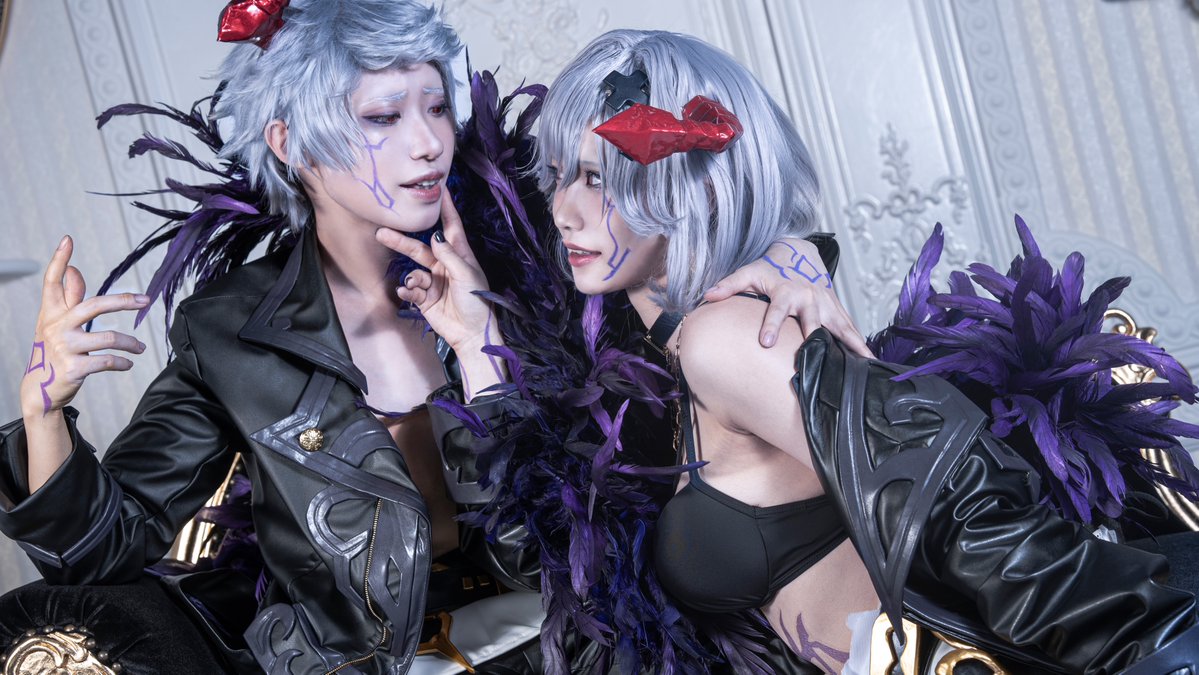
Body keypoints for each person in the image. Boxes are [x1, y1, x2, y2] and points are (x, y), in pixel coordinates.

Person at [0, 3, 866, 674]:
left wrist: (786, 258)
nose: (426, 145)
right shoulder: (229, 330)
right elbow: (105, 545)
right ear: (291, 142)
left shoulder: (537, 245)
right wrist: (43, 411)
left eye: (436, 107)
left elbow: (694, 221)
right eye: (382, 117)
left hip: (567, 638)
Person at [402, 27, 1199, 674]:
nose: (565, 211)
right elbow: (563, 559)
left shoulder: (722, 338)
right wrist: (474, 340)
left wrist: (1150, 647)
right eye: (558, 178)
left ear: (688, 185)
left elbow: (951, 500)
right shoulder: (670, 355)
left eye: (598, 178)